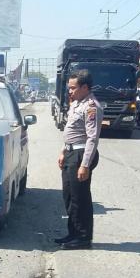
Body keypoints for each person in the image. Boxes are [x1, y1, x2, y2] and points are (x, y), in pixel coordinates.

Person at [55, 70, 103, 250]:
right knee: (68, 196)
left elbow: (92, 138)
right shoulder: (76, 104)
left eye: (73, 88)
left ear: (85, 87)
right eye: (69, 88)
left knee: (80, 198)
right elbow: (70, 133)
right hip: (70, 153)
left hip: (81, 155)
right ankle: (73, 233)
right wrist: (62, 151)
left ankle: (83, 238)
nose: (70, 91)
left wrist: (85, 165)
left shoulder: (91, 106)